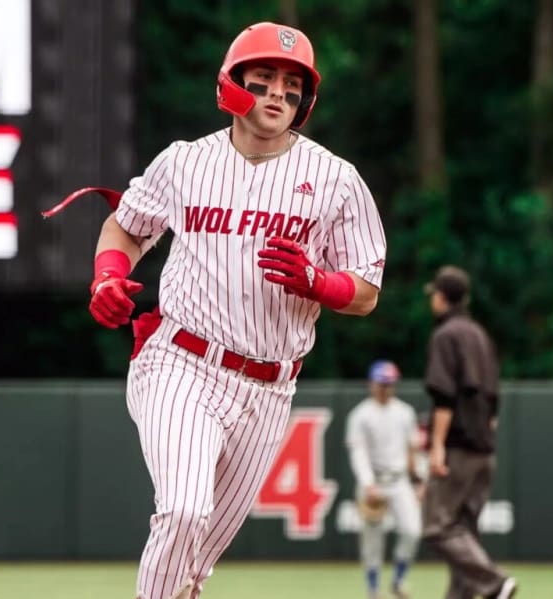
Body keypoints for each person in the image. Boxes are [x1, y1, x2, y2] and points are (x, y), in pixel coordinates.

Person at [83, 22, 387, 599]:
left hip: (269, 390)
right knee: (183, 512)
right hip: (182, 361)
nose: (278, 93)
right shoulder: (185, 162)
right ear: (232, 83)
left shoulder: (335, 180)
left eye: (292, 85)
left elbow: (368, 290)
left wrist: (320, 282)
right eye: (265, 77)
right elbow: (125, 227)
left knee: (192, 566)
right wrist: (107, 276)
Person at [421, 266, 518, 599]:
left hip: (459, 446)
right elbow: (493, 399)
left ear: (442, 296)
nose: (432, 299)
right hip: (483, 448)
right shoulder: (480, 334)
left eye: (434, 293)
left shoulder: (446, 335)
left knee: (437, 526)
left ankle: (494, 582)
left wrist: (437, 447)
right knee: (464, 531)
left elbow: (444, 395)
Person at [345, 360, 424, 599]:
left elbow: (412, 450)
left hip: (399, 480)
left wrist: (418, 480)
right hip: (374, 480)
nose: (385, 388)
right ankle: (373, 590)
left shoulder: (405, 412)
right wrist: (368, 483)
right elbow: (359, 452)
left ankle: (398, 581)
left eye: (389, 384)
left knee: (412, 530)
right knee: (372, 542)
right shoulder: (361, 415)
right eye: (381, 383)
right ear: (371, 384)